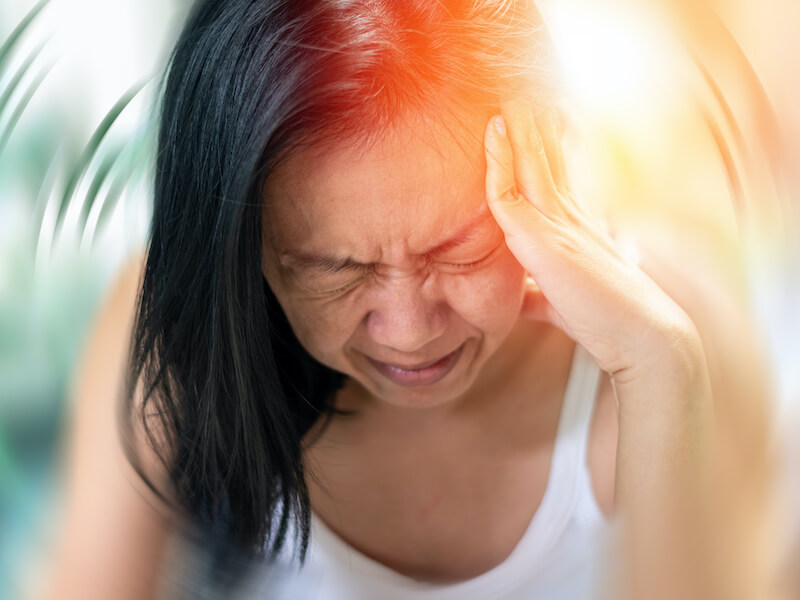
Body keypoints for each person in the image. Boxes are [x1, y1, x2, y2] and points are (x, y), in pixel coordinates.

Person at [39, 0, 772, 599]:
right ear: (243, 250)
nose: (410, 330)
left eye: (459, 248)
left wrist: (659, 366)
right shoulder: (174, 332)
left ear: (556, 156)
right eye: (334, 267)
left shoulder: (669, 336)